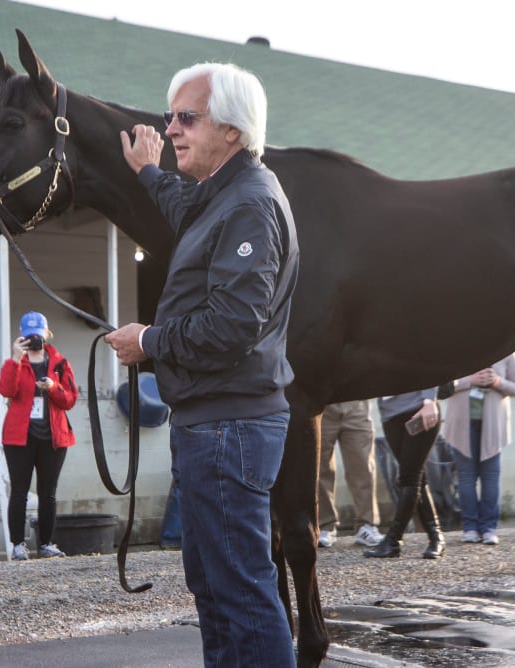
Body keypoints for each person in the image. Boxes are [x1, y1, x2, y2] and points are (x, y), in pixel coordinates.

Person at [106, 61, 300, 666]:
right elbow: (185, 206)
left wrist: (152, 341)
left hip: (229, 428)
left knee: (239, 592)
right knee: (215, 589)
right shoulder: (221, 195)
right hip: (215, 425)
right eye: (170, 117)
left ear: (234, 132)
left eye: (187, 118)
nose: (171, 129)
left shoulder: (249, 203)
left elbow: (235, 325)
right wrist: (147, 173)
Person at [0, 311, 79, 560]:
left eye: (38, 335)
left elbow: (70, 400)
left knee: (48, 492)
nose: (34, 339)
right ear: (22, 335)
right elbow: (6, 390)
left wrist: (54, 388)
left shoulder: (60, 362)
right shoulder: (16, 362)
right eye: (29, 335)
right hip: (19, 438)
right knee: (19, 491)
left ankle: (46, 544)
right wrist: (14, 357)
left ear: (47, 333)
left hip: (52, 437)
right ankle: (18, 544)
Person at [439, 353, 515, 545]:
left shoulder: (509, 352)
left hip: (493, 425)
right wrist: (470, 380)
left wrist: (496, 381)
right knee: (466, 477)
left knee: (490, 476)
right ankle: (469, 528)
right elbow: (443, 387)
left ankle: (489, 528)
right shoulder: (459, 348)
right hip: (461, 423)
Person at [366, 390, 445, 559]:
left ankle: (393, 540)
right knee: (417, 478)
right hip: (390, 415)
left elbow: (429, 363)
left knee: (409, 478)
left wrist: (429, 400)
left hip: (418, 409)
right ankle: (436, 537)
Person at [317, 400, 383, 548]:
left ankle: (367, 524)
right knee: (320, 468)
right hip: (322, 405)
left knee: (363, 466)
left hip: (357, 403)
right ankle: (325, 525)